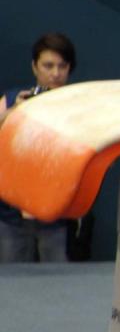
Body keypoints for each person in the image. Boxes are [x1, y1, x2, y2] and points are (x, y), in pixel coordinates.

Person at [0, 33, 77, 262]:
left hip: (55, 212)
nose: (55, 73)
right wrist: (13, 114)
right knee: (11, 284)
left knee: (58, 283)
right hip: (11, 214)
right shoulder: (14, 99)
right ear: (35, 67)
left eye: (62, 66)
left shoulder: (77, 106)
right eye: (48, 65)